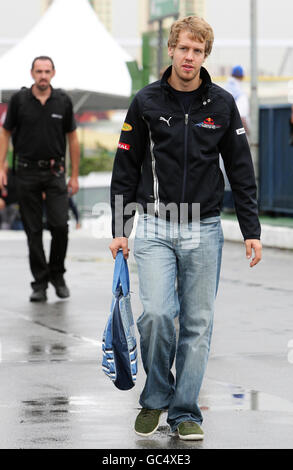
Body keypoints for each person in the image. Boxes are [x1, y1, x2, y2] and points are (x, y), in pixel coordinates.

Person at [109, 16, 262, 441]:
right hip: (155, 224)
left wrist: (251, 229)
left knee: (197, 324)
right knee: (158, 314)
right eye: (184, 48)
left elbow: (240, 169)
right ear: (172, 50)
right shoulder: (145, 102)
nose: (189, 56)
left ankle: (184, 411)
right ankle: (155, 396)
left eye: (198, 50)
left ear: (204, 55)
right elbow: (124, 166)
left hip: (205, 226)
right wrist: (121, 227)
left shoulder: (222, 104)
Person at [0, 56, 80, 302]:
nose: (43, 75)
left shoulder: (63, 101)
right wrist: (1, 165)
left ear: (53, 73)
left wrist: (75, 175)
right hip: (25, 173)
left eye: (47, 71)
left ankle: (57, 275)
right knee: (33, 231)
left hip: (55, 173)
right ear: (32, 73)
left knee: (60, 226)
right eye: (39, 71)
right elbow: (5, 132)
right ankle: (40, 284)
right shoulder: (19, 100)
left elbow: (73, 139)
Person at [225, 65, 250, 134]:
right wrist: (248, 134)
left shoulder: (223, 90)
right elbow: (242, 118)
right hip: (236, 134)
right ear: (242, 77)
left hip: (223, 132)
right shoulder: (240, 93)